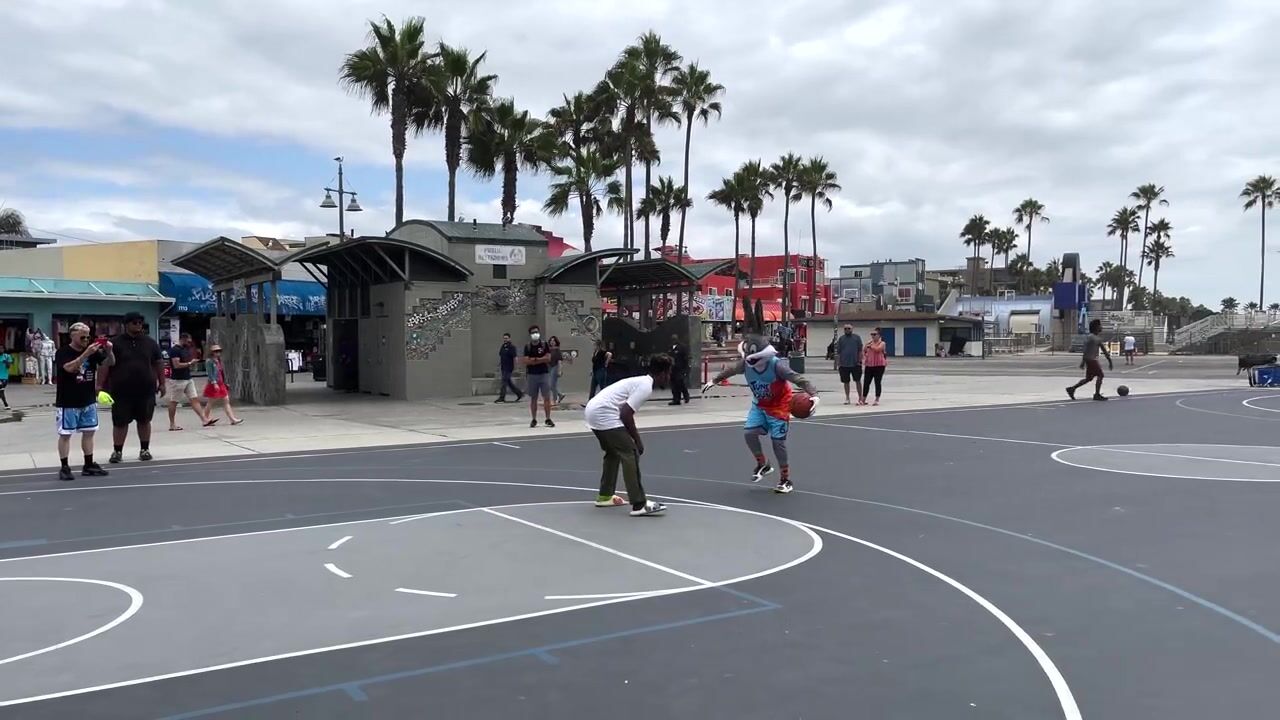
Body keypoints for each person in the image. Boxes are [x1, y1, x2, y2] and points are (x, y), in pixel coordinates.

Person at [702, 299, 819, 494]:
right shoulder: (746, 364)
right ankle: (763, 464)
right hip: (760, 404)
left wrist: (814, 394)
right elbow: (730, 370)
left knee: (777, 443)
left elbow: (799, 379)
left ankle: (785, 479)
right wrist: (714, 380)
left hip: (780, 406)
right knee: (749, 434)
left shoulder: (776, 365)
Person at [583, 353, 672, 516]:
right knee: (630, 452)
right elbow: (626, 414)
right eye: (668, 374)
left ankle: (605, 496)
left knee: (613, 452)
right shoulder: (645, 387)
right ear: (663, 374)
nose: (669, 378)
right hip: (603, 413)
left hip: (592, 411)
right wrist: (637, 440)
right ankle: (639, 504)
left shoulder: (641, 381)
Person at [100, 312, 165, 463]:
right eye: (134, 323)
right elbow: (104, 364)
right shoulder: (114, 343)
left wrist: (162, 383)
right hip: (121, 390)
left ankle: (145, 449)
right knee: (120, 422)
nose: (138, 325)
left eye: (140, 323)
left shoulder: (150, 343)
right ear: (126, 324)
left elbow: (159, 363)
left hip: (146, 389)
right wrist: (99, 386)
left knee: (144, 420)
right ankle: (117, 451)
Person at [53, 322, 114, 481]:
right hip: (68, 400)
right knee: (65, 434)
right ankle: (64, 466)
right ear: (73, 335)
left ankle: (88, 463)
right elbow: (68, 368)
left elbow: (110, 363)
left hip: (87, 399)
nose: (86, 340)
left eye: (88, 337)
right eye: (83, 337)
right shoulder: (63, 352)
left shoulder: (92, 351)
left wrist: (109, 350)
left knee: (89, 432)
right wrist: (85, 354)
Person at [165, 332, 215, 430]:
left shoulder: (184, 349)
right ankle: (172, 424)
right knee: (174, 401)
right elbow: (176, 365)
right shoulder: (175, 350)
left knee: (194, 399)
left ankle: (204, 420)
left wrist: (192, 361)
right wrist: (189, 363)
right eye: (188, 341)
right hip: (178, 380)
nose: (189, 343)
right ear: (183, 339)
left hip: (188, 378)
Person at [1067, 319, 1113, 401]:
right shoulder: (1093, 338)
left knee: (1088, 378)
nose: (1101, 327)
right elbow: (1088, 350)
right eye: (1100, 326)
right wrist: (1083, 361)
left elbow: (1103, 350)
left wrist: (1084, 361)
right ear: (1096, 327)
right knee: (1100, 375)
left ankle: (1072, 388)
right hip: (1092, 360)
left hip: (1090, 360)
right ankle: (1097, 394)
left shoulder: (1094, 338)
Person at [203, 344, 244, 424]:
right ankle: (205, 419)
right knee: (211, 402)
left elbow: (221, 372)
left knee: (226, 400)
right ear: (212, 352)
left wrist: (225, 382)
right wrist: (214, 383)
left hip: (221, 383)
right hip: (214, 383)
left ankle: (232, 419)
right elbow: (210, 373)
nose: (218, 353)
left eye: (219, 351)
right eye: (216, 351)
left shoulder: (218, 360)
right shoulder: (209, 361)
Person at [523, 325, 554, 428]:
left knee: (547, 397)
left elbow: (548, 358)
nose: (535, 334)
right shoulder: (528, 346)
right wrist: (540, 359)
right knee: (533, 398)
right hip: (532, 375)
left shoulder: (544, 345)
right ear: (530, 334)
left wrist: (535, 360)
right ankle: (534, 419)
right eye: (533, 332)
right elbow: (526, 361)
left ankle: (548, 418)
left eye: (536, 332)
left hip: (544, 374)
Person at [835, 324, 863, 405]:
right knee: (846, 382)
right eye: (845, 328)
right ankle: (847, 398)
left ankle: (860, 398)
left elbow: (860, 350)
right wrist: (839, 363)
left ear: (852, 329)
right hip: (844, 364)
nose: (847, 330)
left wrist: (860, 361)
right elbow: (838, 352)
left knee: (858, 381)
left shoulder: (857, 337)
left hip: (855, 364)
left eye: (849, 328)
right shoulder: (841, 339)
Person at [861, 328, 887, 406]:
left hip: (879, 365)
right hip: (869, 365)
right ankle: (863, 399)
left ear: (879, 335)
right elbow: (864, 350)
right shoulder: (869, 342)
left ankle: (877, 399)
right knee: (866, 382)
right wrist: (866, 350)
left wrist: (871, 346)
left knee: (877, 382)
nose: (873, 336)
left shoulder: (882, 343)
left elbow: (878, 349)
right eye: (872, 334)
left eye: (874, 334)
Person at [494, 333, 523, 403]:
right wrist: (498, 365)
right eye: (504, 338)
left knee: (504, 381)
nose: (505, 339)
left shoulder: (512, 347)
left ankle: (502, 397)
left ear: (509, 339)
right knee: (508, 382)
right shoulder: (503, 346)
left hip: (509, 367)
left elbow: (515, 357)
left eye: (506, 338)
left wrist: (517, 367)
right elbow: (501, 356)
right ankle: (519, 393)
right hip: (503, 367)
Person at [668, 334, 690, 405]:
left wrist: (686, 369)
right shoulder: (670, 347)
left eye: (674, 339)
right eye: (672, 339)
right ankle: (676, 399)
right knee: (674, 385)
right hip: (672, 369)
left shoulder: (682, 347)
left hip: (680, 369)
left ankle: (686, 396)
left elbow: (686, 358)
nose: (673, 340)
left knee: (680, 383)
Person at [548, 335, 567, 404]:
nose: (552, 342)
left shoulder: (557, 350)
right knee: (553, 384)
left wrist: (559, 370)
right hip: (549, 368)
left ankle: (554, 399)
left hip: (555, 367)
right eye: (551, 340)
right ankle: (560, 395)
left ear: (556, 342)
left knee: (551, 385)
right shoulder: (549, 350)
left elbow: (560, 361)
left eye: (553, 341)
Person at [0, 344, 11, 410]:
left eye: (2, 348)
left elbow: (8, 366)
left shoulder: (7, 356)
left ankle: (6, 404)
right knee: (1, 390)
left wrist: (6, 362)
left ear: (4, 349)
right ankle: (6, 405)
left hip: (4, 377)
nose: (0, 350)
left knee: (1, 391)